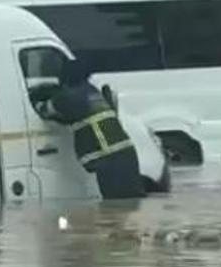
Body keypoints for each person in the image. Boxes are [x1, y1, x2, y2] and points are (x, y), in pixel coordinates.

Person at [40, 59, 144, 200]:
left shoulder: (67, 97)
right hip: (126, 155)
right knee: (129, 205)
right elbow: (77, 118)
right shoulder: (93, 92)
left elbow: (43, 110)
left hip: (109, 162)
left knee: (114, 208)